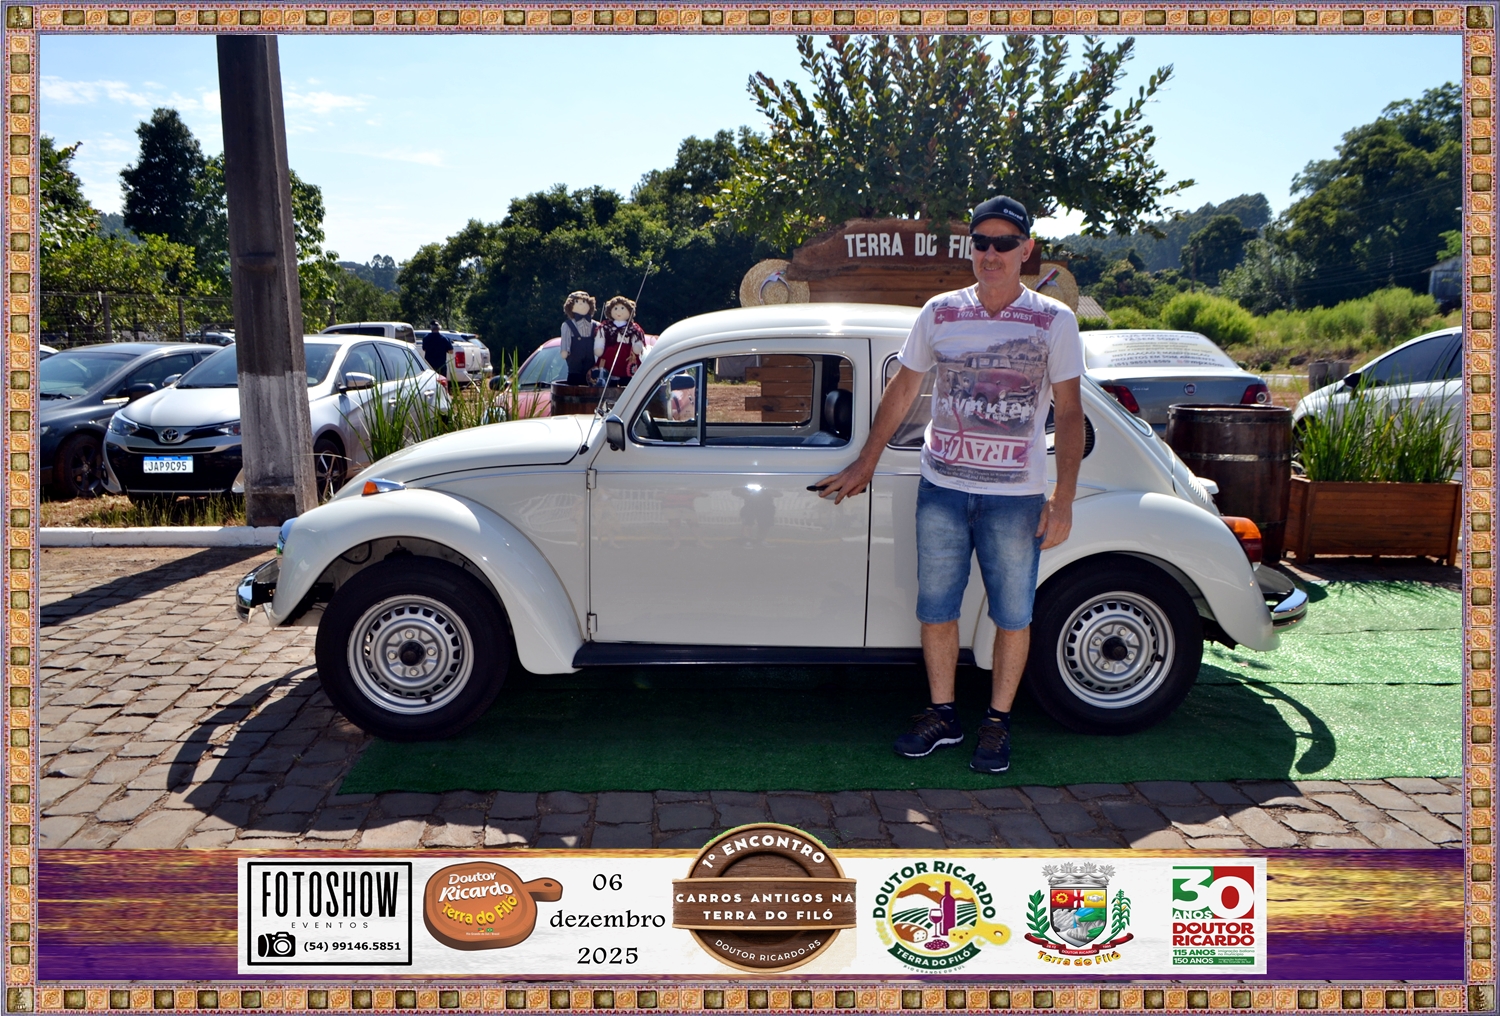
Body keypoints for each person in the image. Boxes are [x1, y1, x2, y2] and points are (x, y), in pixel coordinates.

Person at [813, 195, 1085, 774]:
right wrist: (867, 460)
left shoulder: (1054, 320)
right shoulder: (939, 312)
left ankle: (997, 723)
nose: (991, 253)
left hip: (1016, 494)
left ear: (1026, 250)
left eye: (1004, 243)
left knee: (1013, 613)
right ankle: (943, 715)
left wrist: (1063, 497)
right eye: (981, 242)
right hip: (941, 485)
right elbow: (904, 388)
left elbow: (1068, 410)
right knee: (936, 607)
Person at [560, 291, 599, 386]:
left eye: (584, 302)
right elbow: (565, 341)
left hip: (591, 373)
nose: (581, 304)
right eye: (577, 302)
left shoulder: (596, 325)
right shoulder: (567, 325)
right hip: (574, 370)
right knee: (574, 383)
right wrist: (564, 350)